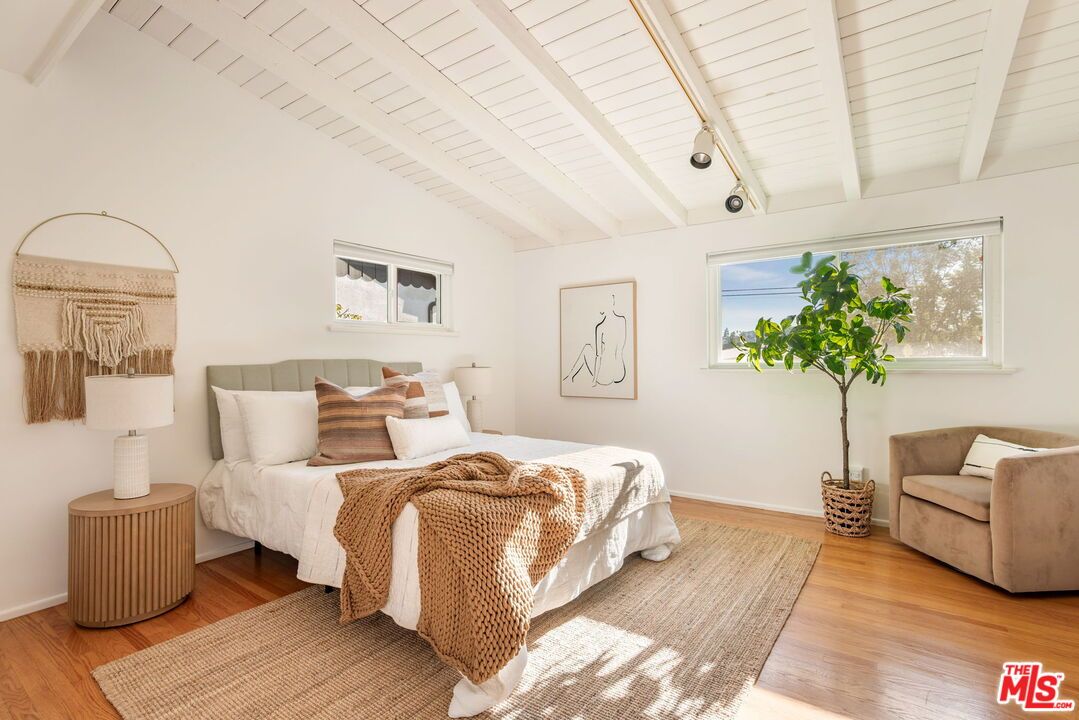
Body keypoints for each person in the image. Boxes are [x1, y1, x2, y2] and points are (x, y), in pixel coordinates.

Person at [562, 293, 628, 387]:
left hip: (606, 376)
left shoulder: (600, 327)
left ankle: (570, 377)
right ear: (613, 303)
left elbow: (599, 355)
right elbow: (620, 347)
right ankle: (570, 377)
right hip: (620, 373)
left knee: (587, 348)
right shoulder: (622, 320)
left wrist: (594, 380)